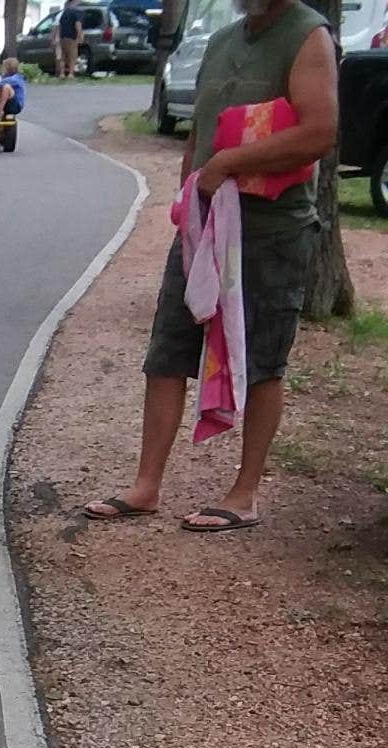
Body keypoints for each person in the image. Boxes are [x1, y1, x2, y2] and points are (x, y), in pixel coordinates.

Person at [83, 0, 336, 532]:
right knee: (168, 350)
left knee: (264, 358)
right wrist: (186, 201)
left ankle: (244, 494)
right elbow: (199, 134)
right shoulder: (223, 41)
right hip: (204, 226)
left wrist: (229, 164)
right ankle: (146, 485)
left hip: (272, 231)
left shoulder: (308, 35)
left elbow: (318, 132)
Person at [0, 56, 27, 123]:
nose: (2, 69)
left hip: (16, 106)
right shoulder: (5, 78)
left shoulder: (16, 78)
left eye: (4, 67)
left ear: (8, 68)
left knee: (6, 87)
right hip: (7, 104)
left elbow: (2, 83)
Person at [53, 2, 85, 77]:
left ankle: (62, 73)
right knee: (72, 56)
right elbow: (78, 25)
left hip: (62, 37)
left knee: (62, 56)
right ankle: (71, 74)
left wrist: (57, 37)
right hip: (71, 37)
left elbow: (59, 27)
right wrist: (80, 35)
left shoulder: (63, 15)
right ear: (72, 4)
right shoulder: (74, 14)